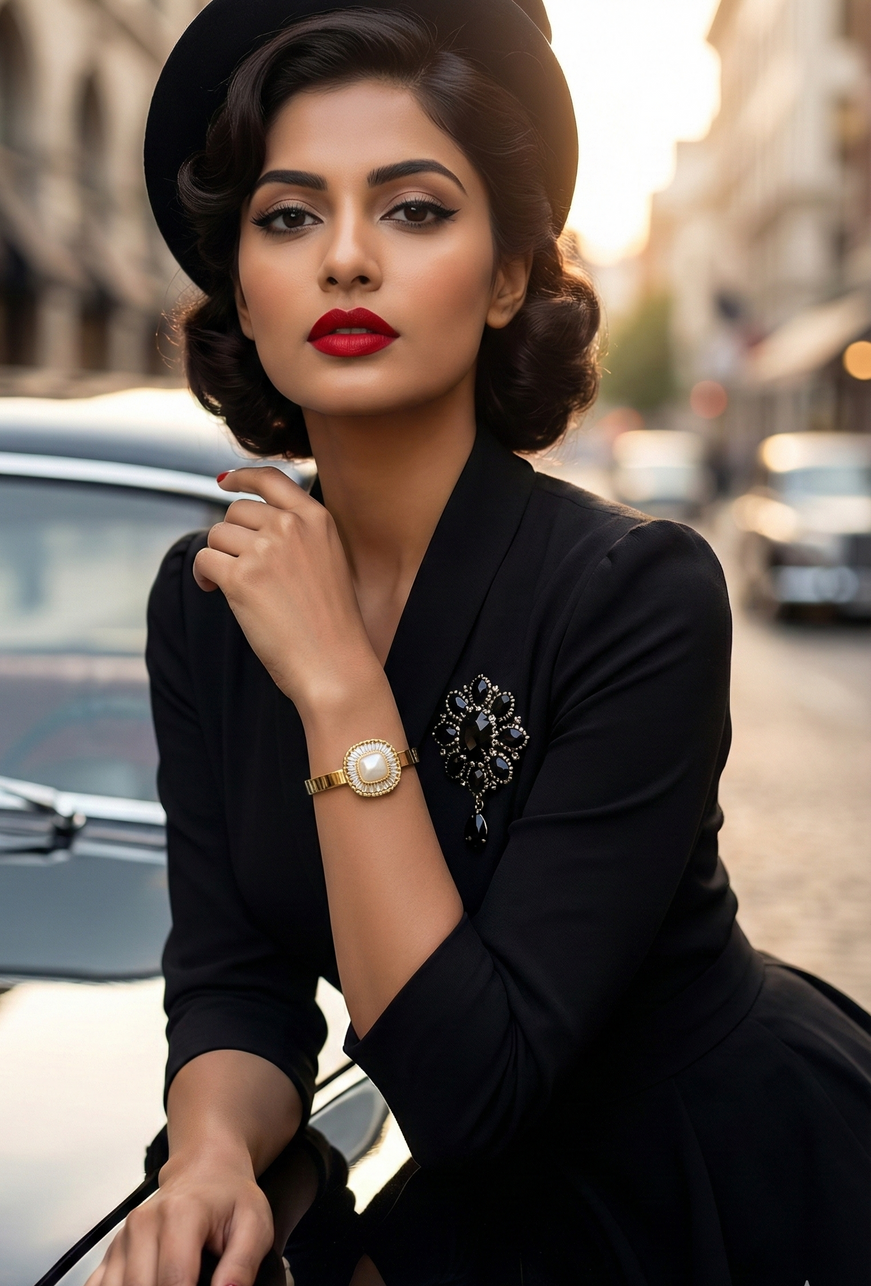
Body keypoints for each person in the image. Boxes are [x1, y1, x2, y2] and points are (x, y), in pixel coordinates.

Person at [90, 2, 871, 1283]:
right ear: (240, 282)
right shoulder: (212, 594)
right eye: (288, 217)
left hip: (718, 1196)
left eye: (413, 209)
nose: (347, 259)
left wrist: (338, 683)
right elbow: (236, 975)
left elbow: (474, 1088)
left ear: (508, 275)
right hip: (450, 1222)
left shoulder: (636, 592)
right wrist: (212, 1154)